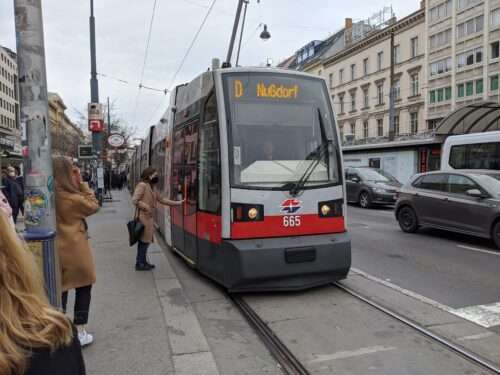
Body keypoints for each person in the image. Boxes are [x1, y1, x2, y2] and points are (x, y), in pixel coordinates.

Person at [0, 210, 86, 375]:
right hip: (73, 249)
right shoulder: (50, 340)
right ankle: (80, 322)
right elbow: (91, 205)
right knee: (79, 287)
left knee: (68, 286)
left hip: (64, 250)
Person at [53, 156, 100, 347]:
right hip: (75, 248)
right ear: (68, 173)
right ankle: (80, 330)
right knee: (84, 286)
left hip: (56, 250)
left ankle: (59, 330)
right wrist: (81, 182)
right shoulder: (72, 198)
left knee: (60, 289)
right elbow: (94, 205)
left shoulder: (49, 194)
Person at [132, 167, 183, 271]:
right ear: (149, 175)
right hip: (142, 218)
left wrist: (178, 203)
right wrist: (146, 206)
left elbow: (162, 200)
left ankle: (143, 261)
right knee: (143, 241)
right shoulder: (142, 185)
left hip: (148, 219)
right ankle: (139, 263)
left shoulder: (152, 187)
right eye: (155, 174)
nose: (156, 176)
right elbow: (134, 200)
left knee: (145, 241)